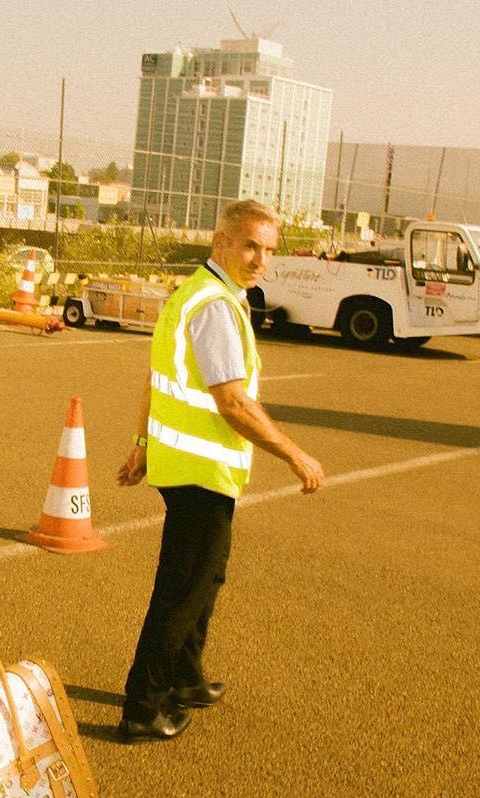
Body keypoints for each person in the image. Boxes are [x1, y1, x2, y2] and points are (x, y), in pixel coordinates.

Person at [115, 199, 324, 744]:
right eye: (251, 245)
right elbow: (231, 401)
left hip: (189, 465)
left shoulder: (201, 294)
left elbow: (155, 379)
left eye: (269, 250)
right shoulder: (213, 305)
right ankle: (143, 707)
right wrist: (294, 453)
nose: (261, 259)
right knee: (182, 590)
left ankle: (186, 678)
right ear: (221, 243)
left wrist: (141, 443)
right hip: (199, 470)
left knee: (205, 579)